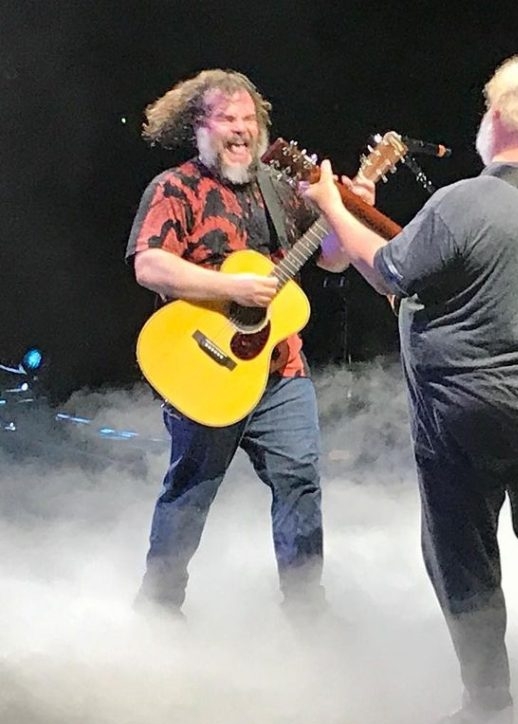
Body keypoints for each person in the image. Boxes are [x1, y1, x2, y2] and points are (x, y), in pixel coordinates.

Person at [304, 55, 518, 724]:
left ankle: (488, 705)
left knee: (460, 552)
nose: (481, 122)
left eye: (488, 109)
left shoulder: (464, 201)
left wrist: (334, 204)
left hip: (459, 412)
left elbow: (391, 269)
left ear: (507, 116)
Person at [125, 69, 374, 620]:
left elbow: (331, 257)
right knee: (191, 491)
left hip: (281, 369)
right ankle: (159, 608)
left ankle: (307, 610)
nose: (240, 130)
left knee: (301, 482)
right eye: (227, 118)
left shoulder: (279, 189)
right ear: (200, 126)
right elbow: (150, 264)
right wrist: (229, 287)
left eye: (249, 119)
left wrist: (344, 213)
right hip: (206, 368)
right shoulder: (175, 188)